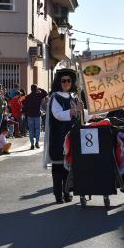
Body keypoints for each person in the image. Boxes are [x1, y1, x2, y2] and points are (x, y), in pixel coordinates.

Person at [43, 69, 82, 203]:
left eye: (68, 80)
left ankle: (67, 192)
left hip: (71, 136)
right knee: (58, 167)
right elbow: (57, 114)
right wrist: (71, 112)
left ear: (72, 82)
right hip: (59, 136)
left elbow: (79, 116)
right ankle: (58, 195)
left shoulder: (74, 97)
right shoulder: (56, 97)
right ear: (59, 82)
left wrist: (82, 111)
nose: (66, 83)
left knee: (68, 167)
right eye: (63, 80)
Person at [23, 84, 47, 149]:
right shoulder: (38, 95)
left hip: (30, 115)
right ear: (36, 89)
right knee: (37, 129)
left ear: (31, 89)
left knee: (31, 130)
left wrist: (25, 113)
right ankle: (37, 142)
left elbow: (25, 106)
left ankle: (32, 144)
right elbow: (45, 93)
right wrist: (40, 89)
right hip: (37, 115)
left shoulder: (27, 97)